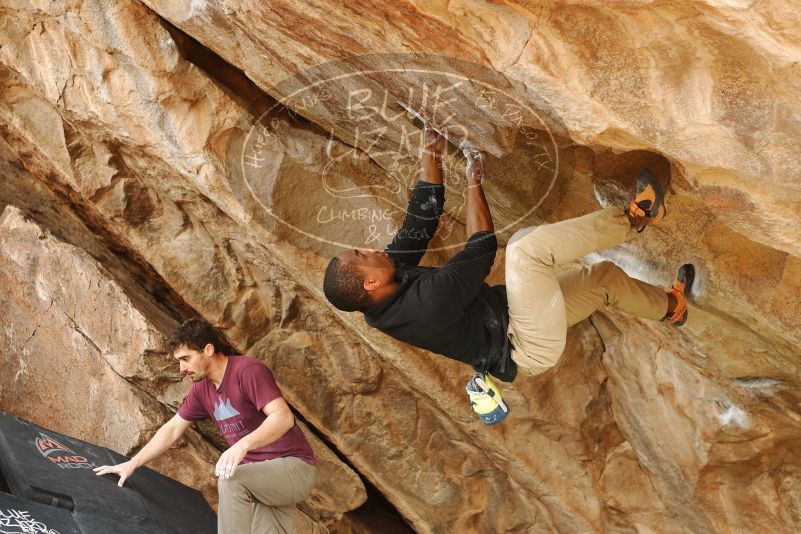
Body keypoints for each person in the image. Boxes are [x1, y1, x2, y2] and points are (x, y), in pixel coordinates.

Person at [323, 124, 693, 424]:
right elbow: (481, 248)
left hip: (518, 322)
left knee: (603, 278)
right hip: (524, 344)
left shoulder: (385, 284)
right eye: (362, 255)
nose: (372, 249)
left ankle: (672, 307)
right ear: (370, 281)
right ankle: (635, 216)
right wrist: (473, 180)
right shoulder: (425, 308)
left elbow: (422, 217)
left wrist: (431, 145)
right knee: (524, 250)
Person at [94, 318, 316, 534]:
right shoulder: (202, 391)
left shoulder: (248, 371)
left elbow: (283, 418)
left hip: (294, 468)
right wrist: (132, 463)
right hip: (260, 480)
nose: (181, 368)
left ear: (208, 350)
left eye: (186, 358)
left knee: (231, 480)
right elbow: (172, 429)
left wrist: (242, 445)